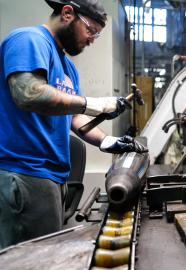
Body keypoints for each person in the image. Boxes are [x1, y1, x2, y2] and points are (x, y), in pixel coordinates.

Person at [0, 0, 147, 249]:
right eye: (90, 30)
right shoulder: (28, 40)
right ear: (68, 13)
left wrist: (106, 140)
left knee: (45, 257)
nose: (92, 39)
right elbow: (28, 94)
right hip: (21, 174)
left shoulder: (68, 67)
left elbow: (72, 117)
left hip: (52, 178)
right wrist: (94, 103)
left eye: (97, 35)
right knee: (25, 261)